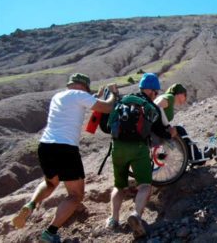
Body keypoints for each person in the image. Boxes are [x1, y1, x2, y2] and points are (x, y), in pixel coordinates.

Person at [11, 73, 118, 242]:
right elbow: (107, 107)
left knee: (50, 182)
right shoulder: (80, 95)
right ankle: (51, 232)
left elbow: (80, 102)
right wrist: (113, 94)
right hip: (65, 148)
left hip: (45, 146)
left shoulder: (58, 96)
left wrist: (93, 97)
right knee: (75, 195)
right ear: (83, 87)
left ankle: (31, 204)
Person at [106, 73, 172, 239]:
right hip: (138, 148)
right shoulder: (149, 106)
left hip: (117, 147)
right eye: (155, 92)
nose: (156, 95)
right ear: (150, 90)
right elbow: (160, 131)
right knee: (145, 185)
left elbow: (107, 126)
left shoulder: (123, 100)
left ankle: (113, 219)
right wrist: (170, 132)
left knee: (118, 186)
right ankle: (136, 215)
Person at [154, 83, 215, 162]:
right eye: (185, 95)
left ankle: (191, 156)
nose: (185, 98)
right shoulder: (170, 97)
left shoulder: (164, 98)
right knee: (180, 130)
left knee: (178, 130)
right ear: (179, 94)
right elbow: (158, 107)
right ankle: (197, 156)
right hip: (158, 131)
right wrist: (167, 126)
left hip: (156, 129)